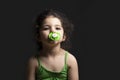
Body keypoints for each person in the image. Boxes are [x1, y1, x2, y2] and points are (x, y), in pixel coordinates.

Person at [27, 9, 79, 80]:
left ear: (64, 37)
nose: (53, 31)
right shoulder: (33, 61)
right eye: (46, 28)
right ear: (38, 36)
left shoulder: (70, 60)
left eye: (57, 28)